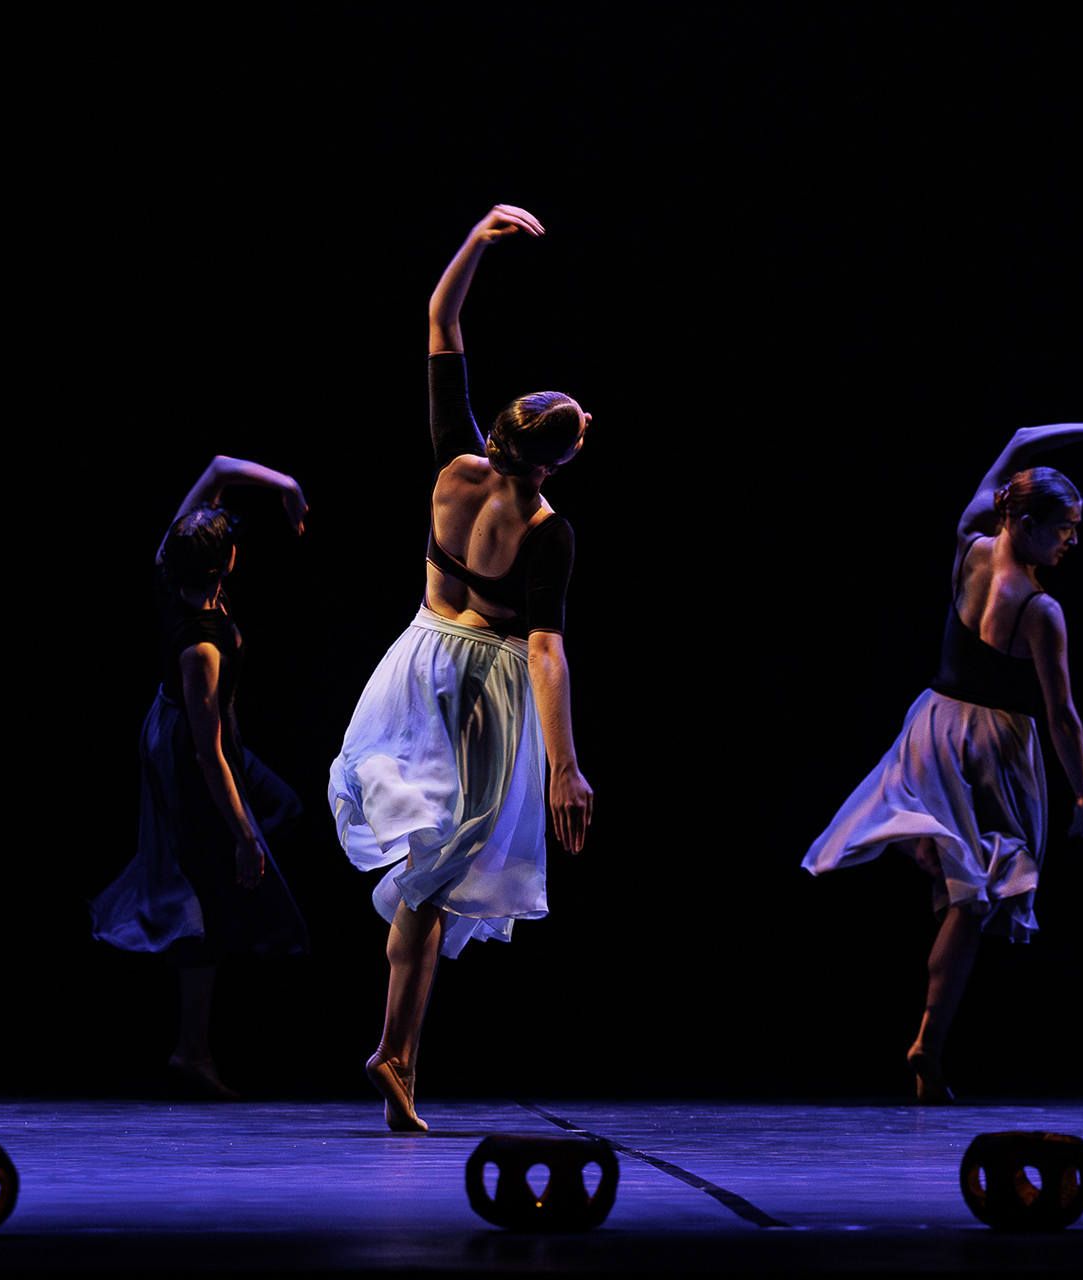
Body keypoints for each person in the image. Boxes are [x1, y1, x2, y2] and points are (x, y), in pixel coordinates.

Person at [328, 204, 594, 1133]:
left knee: (434, 868)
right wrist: (564, 766)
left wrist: (477, 238)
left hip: (415, 659)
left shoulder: (454, 466)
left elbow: (442, 321)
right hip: (483, 692)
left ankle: (399, 1055)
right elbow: (545, 648)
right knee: (440, 872)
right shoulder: (547, 530)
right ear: (556, 462)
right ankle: (394, 1052)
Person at [803, 422, 1083, 1102]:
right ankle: (928, 1042)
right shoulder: (1041, 610)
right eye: (1064, 529)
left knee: (966, 883)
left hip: (933, 726)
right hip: (992, 748)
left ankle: (929, 1024)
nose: (1072, 541)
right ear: (1025, 522)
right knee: (981, 891)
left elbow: (1019, 438)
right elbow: (1062, 714)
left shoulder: (971, 541)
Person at [91, 457, 311, 1100]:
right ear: (226, 565)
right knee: (204, 889)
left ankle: (228, 885)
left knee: (283, 810)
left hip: (201, 733)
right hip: (188, 748)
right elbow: (208, 753)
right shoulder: (202, 649)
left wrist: (286, 487)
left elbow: (217, 469)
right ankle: (192, 1049)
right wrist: (242, 837)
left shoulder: (171, 564)